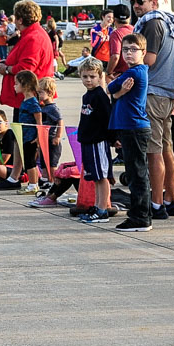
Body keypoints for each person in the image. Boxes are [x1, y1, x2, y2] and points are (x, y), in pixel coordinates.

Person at [129, 0, 174, 217]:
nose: (136, 6)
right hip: (166, 93)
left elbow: (150, 60)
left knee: (154, 151)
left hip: (153, 92)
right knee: (166, 148)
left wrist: (131, 63)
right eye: (133, 2)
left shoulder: (153, 23)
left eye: (140, 1)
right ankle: (170, 199)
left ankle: (156, 204)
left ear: (154, 1)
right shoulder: (168, 22)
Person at [106, 33, 152, 231]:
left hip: (135, 128)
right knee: (134, 173)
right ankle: (140, 214)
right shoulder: (131, 71)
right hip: (128, 127)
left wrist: (117, 91)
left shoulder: (135, 72)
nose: (128, 54)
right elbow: (115, 92)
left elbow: (110, 87)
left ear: (143, 52)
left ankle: (140, 217)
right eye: (125, 50)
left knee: (137, 174)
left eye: (133, 50)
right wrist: (119, 93)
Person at [75, 58, 115, 224]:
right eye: (85, 77)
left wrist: (113, 138)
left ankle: (103, 208)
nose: (89, 80)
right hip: (88, 141)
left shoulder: (100, 96)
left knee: (102, 176)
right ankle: (97, 205)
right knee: (95, 177)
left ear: (100, 77)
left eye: (92, 76)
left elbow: (108, 118)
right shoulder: (87, 96)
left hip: (98, 141)